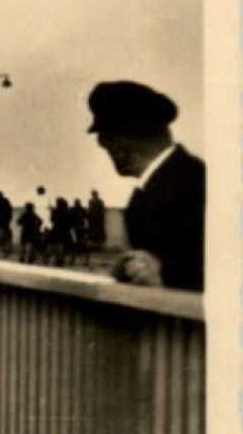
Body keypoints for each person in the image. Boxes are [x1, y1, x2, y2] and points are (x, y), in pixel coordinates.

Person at [87, 80, 205, 291]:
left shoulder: (196, 185)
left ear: (119, 145)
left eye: (105, 142)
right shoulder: (188, 179)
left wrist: (167, 274)